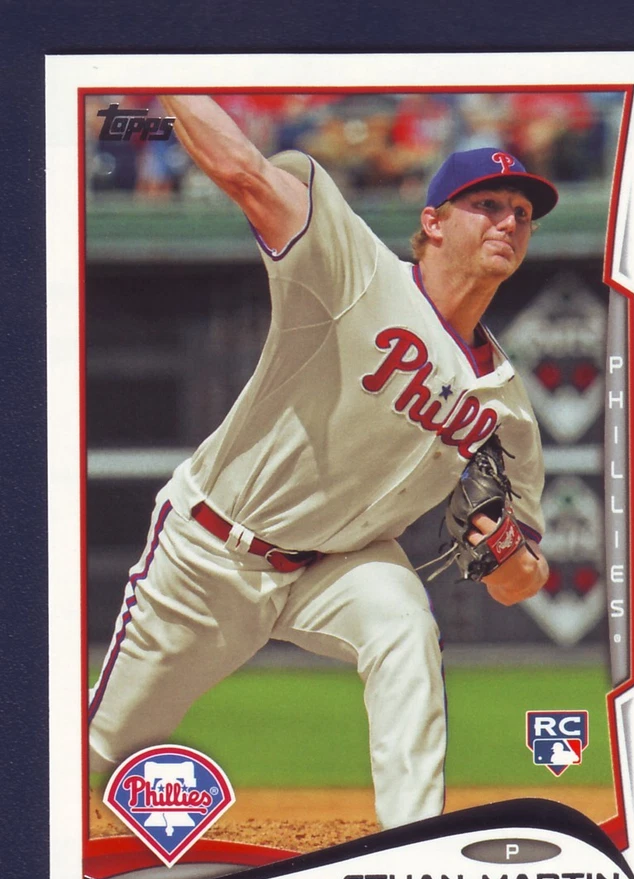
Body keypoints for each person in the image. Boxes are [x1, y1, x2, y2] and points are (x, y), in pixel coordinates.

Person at [88, 95, 558, 832]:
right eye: (487, 204)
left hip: (335, 567)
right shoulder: (360, 274)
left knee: (402, 624)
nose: (508, 221)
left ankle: (411, 842)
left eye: (522, 213)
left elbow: (517, 582)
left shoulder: (507, 406)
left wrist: (506, 553)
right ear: (432, 222)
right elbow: (245, 173)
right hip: (213, 550)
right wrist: (161, 73)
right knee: (97, 755)